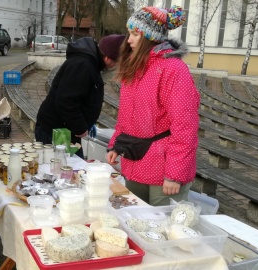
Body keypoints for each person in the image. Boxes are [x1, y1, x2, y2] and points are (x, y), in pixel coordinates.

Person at [105, 6, 200, 206]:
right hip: (134, 159)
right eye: (129, 33)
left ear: (150, 37)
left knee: (163, 228)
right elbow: (126, 116)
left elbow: (185, 125)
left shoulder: (173, 69)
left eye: (135, 34)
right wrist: (116, 144)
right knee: (134, 218)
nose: (128, 40)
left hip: (164, 169)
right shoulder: (134, 66)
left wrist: (174, 173)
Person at [35, 35, 125, 158]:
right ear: (108, 58)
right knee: (64, 170)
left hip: (68, 128)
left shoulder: (90, 64)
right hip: (56, 130)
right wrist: (81, 127)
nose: (115, 66)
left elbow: (80, 95)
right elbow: (66, 101)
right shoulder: (83, 65)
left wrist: (88, 121)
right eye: (117, 62)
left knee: (74, 169)